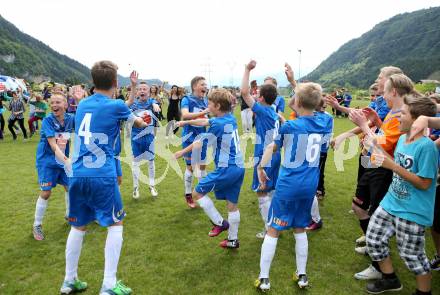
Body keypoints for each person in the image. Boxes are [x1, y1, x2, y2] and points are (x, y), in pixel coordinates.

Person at [60, 60, 149, 295]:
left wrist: (130, 88)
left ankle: (69, 280)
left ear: (93, 81)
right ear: (113, 82)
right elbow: (135, 119)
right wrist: (143, 119)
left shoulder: (82, 105)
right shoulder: (116, 105)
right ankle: (109, 284)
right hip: (102, 174)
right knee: (115, 224)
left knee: (78, 227)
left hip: (78, 173)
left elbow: (119, 106)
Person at [255, 82, 332, 291]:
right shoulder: (326, 121)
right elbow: (309, 108)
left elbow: (273, 146)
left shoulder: (290, 126)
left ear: (296, 102)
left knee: (273, 230)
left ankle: (264, 277)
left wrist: (261, 167)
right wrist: (304, 92)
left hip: (289, 184)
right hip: (309, 185)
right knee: (300, 228)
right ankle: (302, 275)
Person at [365, 94, 438, 295]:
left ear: (416, 120)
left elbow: (424, 184)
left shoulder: (427, 147)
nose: (398, 117)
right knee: (373, 239)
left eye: (403, 114)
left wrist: (393, 167)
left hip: (412, 211)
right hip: (390, 202)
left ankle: (424, 292)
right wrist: (374, 146)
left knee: (412, 256)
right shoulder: (402, 139)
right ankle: (390, 279)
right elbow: (390, 161)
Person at [349, 73, 416, 280]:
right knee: (359, 206)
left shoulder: (399, 116)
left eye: (384, 90)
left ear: (393, 91)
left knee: (375, 214)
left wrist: (363, 125)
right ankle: (372, 247)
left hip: (384, 169)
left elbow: (383, 144)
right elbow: (384, 135)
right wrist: (377, 120)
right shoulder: (393, 113)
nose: (381, 94)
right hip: (374, 164)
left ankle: (379, 267)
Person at [175, 88, 245, 249]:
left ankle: (220, 223)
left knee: (197, 193)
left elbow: (199, 142)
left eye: (210, 103)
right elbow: (206, 121)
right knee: (232, 204)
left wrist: (181, 152)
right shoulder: (230, 118)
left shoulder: (218, 125)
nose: (207, 105)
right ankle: (233, 240)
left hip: (226, 169)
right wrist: (186, 122)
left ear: (218, 106)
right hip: (238, 167)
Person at [241, 60, 281, 239]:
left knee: (261, 191)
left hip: (264, 155)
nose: (255, 95)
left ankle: (269, 229)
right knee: (271, 190)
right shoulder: (273, 110)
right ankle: (277, 222)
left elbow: (244, 93)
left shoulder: (264, 110)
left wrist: (247, 69)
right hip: (275, 153)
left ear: (262, 98)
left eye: (257, 93)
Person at [32, 92, 75, 240]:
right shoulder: (47, 121)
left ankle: (70, 216)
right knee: (46, 192)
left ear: (66, 105)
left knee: (70, 187)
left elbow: (86, 121)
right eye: (52, 102)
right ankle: (37, 225)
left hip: (63, 160)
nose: (54, 105)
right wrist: (67, 160)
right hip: (48, 161)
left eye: (58, 102)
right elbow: (53, 145)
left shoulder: (71, 119)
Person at [126, 73, 161, 199]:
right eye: (140, 89)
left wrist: (156, 104)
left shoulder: (152, 103)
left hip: (149, 136)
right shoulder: (133, 104)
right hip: (136, 137)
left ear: (149, 91)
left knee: (151, 161)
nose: (142, 91)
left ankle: (152, 185)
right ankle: (136, 188)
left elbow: (155, 103)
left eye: (144, 89)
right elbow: (127, 116)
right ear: (136, 92)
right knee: (136, 162)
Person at [180, 76, 209, 208]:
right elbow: (185, 115)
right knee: (191, 167)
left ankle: (202, 192)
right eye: (202, 84)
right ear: (194, 86)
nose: (205, 87)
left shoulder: (206, 100)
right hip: (189, 138)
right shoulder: (187, 99)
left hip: (202, 137)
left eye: (205, 85)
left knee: (202, 166)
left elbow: (210, 115)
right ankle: (188, 194)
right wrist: (204, 112)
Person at [306, 97, 334, 231]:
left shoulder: (326, 117)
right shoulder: (311, 114)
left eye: (324, 107)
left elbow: (328, 134)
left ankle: (319, 191)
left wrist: (319, 143)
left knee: (316, 175)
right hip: (309, 151)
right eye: (320, 107)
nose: (322, 109)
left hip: (320, 151)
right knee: (310, 176)